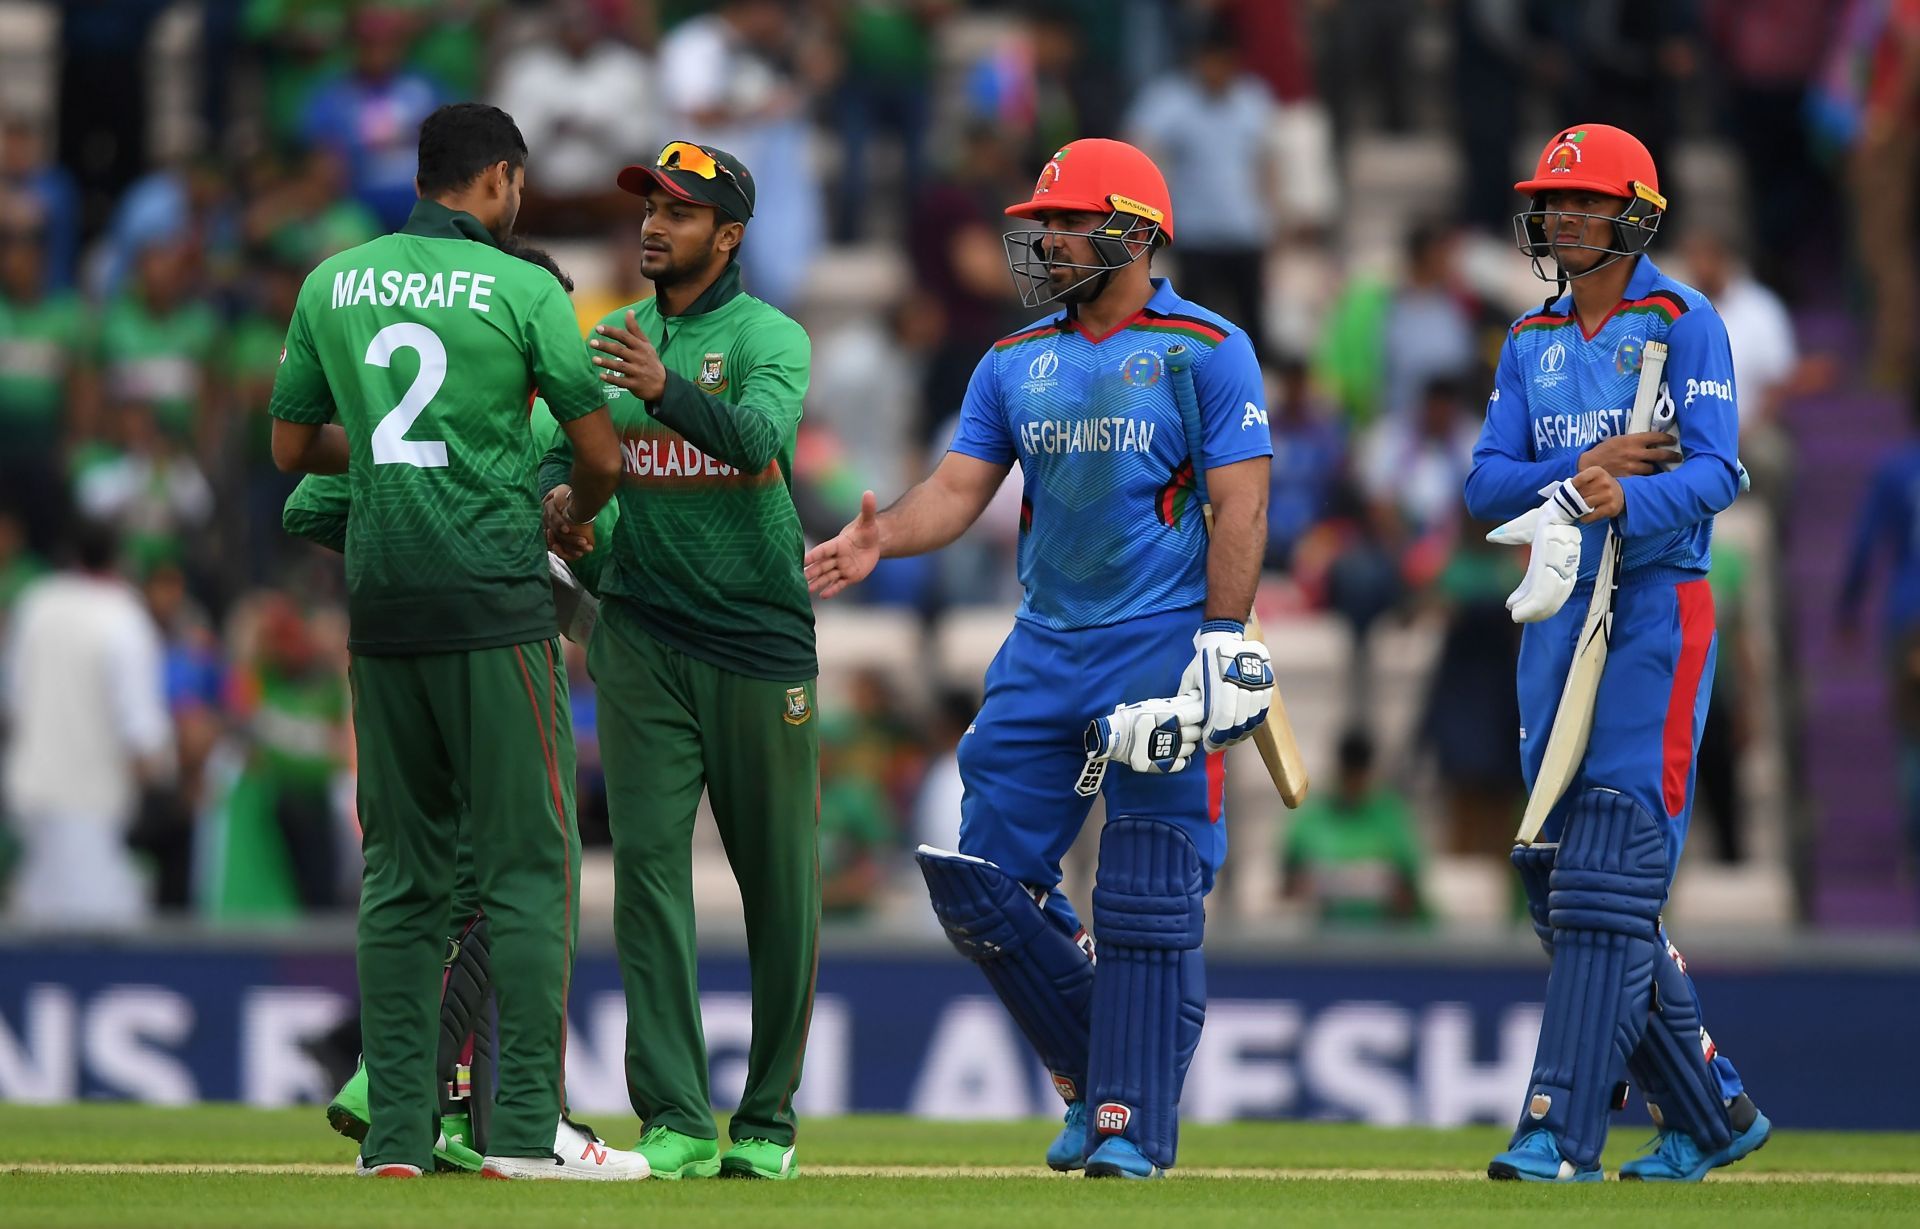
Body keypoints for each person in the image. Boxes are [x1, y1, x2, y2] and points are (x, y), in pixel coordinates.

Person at [803, 138, 1274, 1179]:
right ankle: (1107, 1066)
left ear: (1139, 234)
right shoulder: (1013, 358)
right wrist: (884, 535)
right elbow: (959, 487)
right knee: (978, 880)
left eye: (1069, 221)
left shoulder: (1208, 346)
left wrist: (1226, 644)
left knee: (1149, 889)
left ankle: (1129, 1125)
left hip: (1163, 639)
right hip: (1044, 642)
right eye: (1044, 224)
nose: (1048, 239)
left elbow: (1243, 501)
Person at [267, 102, 637, 1181]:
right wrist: (562, 502)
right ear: (503, 180)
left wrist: (397, 460)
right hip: (493, 606)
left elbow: (293, 447)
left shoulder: (331, 279)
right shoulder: (525, 287)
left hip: (383, 612)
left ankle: (395, 1137)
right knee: (530, 868)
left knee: (399, 874)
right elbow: (601, 457)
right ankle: (522, 1125)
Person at [1465, 123, 1770, 1182]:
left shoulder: (1685, 322)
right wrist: (1584, 462)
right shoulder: (1526, 337)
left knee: (1605, 871)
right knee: (1555, 877)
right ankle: (1710, 1109)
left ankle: (1556, 1129)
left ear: (1634, 215)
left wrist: (1628, 498)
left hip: (1653, 605)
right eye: (1553, 203)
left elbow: (1722, 472)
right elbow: (1484, 486)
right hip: (1556, 611)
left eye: (1584, 202)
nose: (1560, 219)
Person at [551, 140, 819, 1182]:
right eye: (648, 207)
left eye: (679, 211)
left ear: (731, 235)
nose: (654, 225)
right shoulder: (610, 335)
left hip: (757, 637)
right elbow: (559, 458)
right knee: (649, 875)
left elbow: (756, 441)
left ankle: (768, 1118)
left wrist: (663, 392)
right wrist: (563, 510)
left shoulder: (771, 336)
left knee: (776, 884)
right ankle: (671, 1113)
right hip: (642, 636)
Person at [2, 519, 173, 931]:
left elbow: (11, 703)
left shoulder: (34, 603)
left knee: (32, 934)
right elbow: (144, 735)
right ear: (120, 561)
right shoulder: (124, 618)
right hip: (90, 809)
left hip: (26, 798)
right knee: (95, 948)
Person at [1839, 387, 1920, 896]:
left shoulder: (1896, 469)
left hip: (1909, 618)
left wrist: (1848, 608)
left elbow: (1867, 541)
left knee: (1914, 736)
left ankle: (1915, 852)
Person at [1279, 727, 1424, 926]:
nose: (1354, 784)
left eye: (1360, 775)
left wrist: (1385, 888)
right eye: (1349, 775)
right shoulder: (1311, 818)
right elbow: (1286, 888)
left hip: (1383, 939)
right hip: (1320, 942)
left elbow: (1412, 891)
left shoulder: (1391, 816)